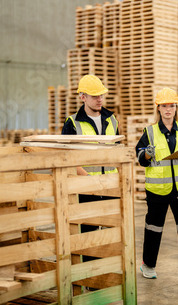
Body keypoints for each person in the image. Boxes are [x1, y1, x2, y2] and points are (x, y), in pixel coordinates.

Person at [135, 87, 178, 279]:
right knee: (153, 228)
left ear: (176, 107)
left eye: (171, 105)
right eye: (164, 106)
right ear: (158, 108)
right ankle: (148, 266)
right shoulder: (150, 132)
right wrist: (146, 153)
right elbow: (140, 157)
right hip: (157, 190)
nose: (168, 109)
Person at [62, 74, 119, 266]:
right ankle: (89, 276)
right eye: (94, 96)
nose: (99, 99)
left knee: (111, 233)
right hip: (86, 188)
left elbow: (117, 152)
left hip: (111, 187)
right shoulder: (72, 123)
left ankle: (106, 271)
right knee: (88, 234)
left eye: (101, 95)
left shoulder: (112, 120)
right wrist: (89, 181)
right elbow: (67, 158)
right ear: (82, 97)